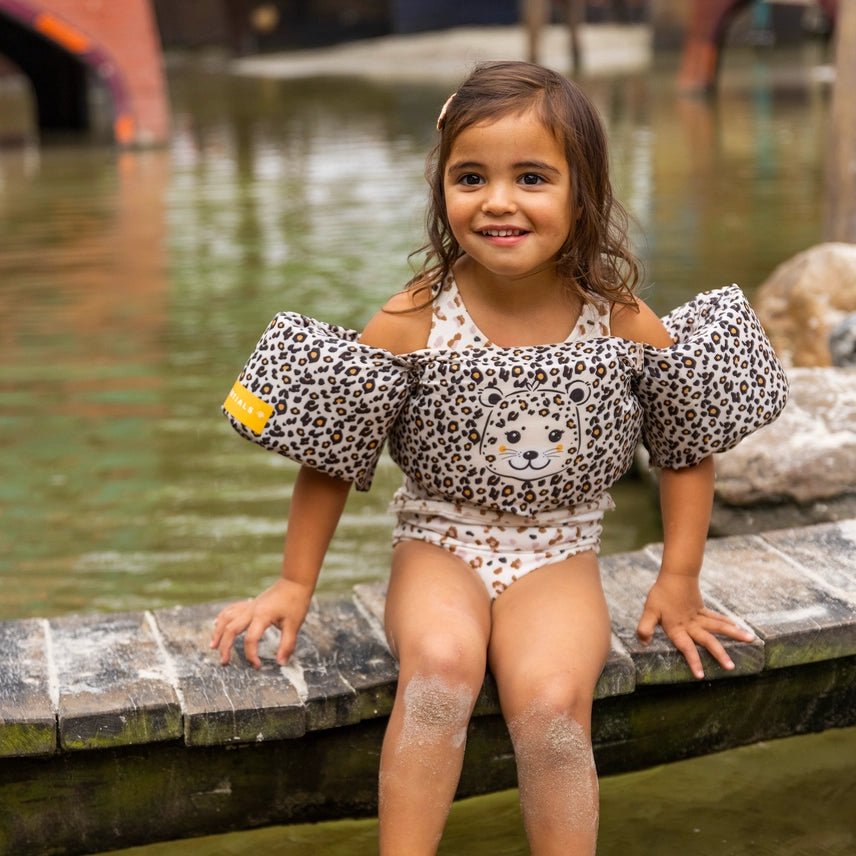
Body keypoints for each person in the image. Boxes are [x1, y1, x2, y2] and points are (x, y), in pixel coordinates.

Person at [211, 61, 784, 855]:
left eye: (532, 177)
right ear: (443, 189)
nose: (499, 200)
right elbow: (335, 456)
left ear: (583, 193)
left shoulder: (617, 317)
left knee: (551, 708)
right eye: (471, 176)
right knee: (442, 676)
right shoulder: (414, 318)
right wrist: (293, 582)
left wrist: (678, 579)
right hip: (440, 540)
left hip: (559, 550)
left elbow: (684, 445)